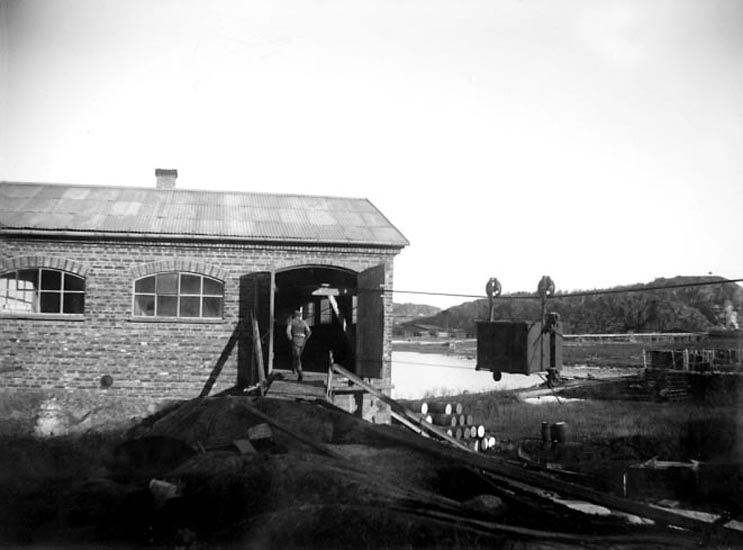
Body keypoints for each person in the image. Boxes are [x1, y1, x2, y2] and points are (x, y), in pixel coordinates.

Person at [286, 309, 311, 381]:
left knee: (297, 357)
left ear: (294, 315)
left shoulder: (292, 321)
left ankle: (300, 372)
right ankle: (294, 368)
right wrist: (305, 339)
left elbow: (287, 331)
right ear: (300, 315)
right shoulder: (304, 322)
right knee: (298, 355)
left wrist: (291, 339)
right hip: (302, 340)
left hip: (295, 339)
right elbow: (309, 331)